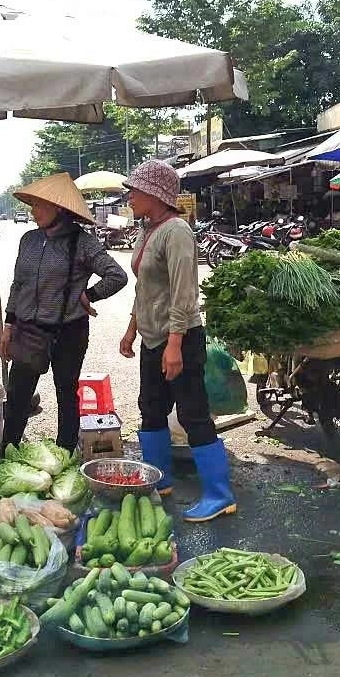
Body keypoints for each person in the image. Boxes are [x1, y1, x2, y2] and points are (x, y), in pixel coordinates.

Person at [119, 159, 236, 523]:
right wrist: (132, 327)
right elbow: (146, 288)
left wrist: (174, 345)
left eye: (134, 190)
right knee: (151, 408)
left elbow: (184, 294)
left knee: (192, 413)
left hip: (180, 338)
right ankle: (159, 481)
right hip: (154, 336)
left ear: (155, 193)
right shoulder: (146, 229)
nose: (130, 196)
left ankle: (220, 495)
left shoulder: (177, 232)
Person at [0, 173, 127, 451]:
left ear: (59, 208)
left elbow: (117, 276)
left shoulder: (83, 242)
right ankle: (8, 449)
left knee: (66, 393)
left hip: (69, 331)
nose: (33, 212)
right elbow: (18, 284)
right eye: (31, 205)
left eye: (38, 206)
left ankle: (65, 451)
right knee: (18, 394)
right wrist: (9, 326)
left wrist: (89, 294)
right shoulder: (29, 240)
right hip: (29, 330)